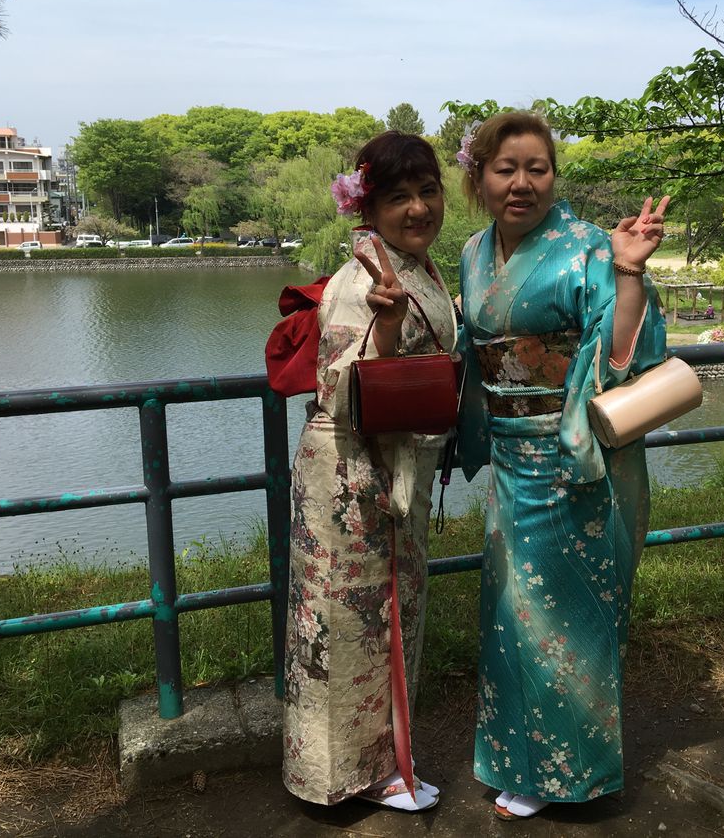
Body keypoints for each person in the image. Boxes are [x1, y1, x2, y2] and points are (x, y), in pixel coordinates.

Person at [454, 112, 668, 820]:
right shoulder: (473, 253)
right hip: (510, 457)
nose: (522, 183)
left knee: (568, 617)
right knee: (511, 616)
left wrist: (629, 271)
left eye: (537, 169)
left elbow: (627, 354)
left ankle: (570, 775)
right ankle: (521, 764)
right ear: (479, 178)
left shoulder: (590, 247)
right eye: (505, 169)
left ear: (553, 176)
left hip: (576, 459)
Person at [281, 132, 457, 813]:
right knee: (349, 620)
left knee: (382, 618)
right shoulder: (365, 281)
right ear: (369, 206)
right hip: (353, 472)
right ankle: (350, 776)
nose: (418, 208)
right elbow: (340, 389)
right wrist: (384, 331)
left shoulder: (413, 266)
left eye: (428, 191)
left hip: (388, 464)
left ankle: (379, 765)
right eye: (398, 197)